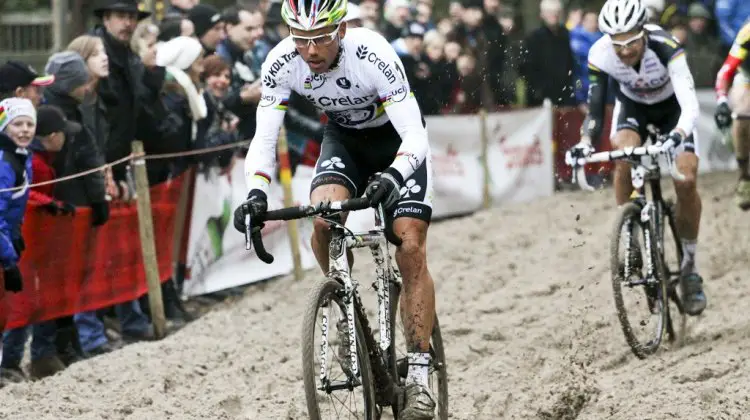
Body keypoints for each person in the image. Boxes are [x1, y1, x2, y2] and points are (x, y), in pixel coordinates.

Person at [231, 0, 437, 418]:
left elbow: (415, 135)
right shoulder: (281, 61)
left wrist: (394, 177)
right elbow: (265, 138)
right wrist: (256, 193)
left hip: (396, 144)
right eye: (300, 38)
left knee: (409, 243)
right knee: (323, 219)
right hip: (344, 140)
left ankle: (418, 376)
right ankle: (344, 304)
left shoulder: (372, 52)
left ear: (341, 30)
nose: (310, 50)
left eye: (320, 38)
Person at [567, 0, 705, 315]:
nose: (625, 50)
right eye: (618, 44)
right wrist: (586, 141)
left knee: (686, 179)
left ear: (643, 32)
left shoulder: (667, 47)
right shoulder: (600, 54)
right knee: (623, 156)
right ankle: (630, 232)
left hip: (674, 112)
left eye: (631, 42)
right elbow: (597, 104)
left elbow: (690, 104)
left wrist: (679, 134)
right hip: (633, 110)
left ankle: (690, 266)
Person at [0, 98, 35, 384]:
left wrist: (16, 234)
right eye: (17, 124)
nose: (24, 130)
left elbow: (14, 206)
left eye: (29, 124)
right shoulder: (4, 161)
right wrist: (8, 258)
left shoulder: (23, 155)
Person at [714, 21, 750, 210]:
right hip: (748, 77)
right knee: (743, 114)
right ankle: (745, 178)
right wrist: (722, 101)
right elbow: (725, 73)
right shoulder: (747, 33)